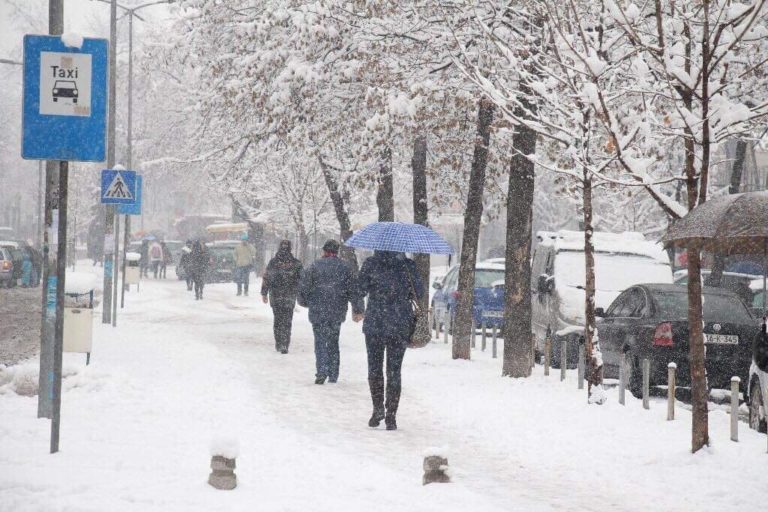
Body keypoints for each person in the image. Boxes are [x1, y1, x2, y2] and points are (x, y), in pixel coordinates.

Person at [356, 250, 423, 431]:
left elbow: (360, 289)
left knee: (374, 368)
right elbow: (420, 292)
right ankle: (391, 415)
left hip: (375, 324)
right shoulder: (407, 266)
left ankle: (377, 408)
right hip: (400, 324)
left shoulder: (371, 263)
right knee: (394, 371)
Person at [298, 239, 364, 385]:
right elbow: (354, 290)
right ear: (336, 251)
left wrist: (305, 302)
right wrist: (358, 309)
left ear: (324, 251)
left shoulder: (314, 266)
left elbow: (304, 287)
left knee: (320, 341)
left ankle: (321, 371)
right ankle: (333, 374)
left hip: (317, 310)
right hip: (337, 310)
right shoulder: (345, 268)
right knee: (333, 341)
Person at [261, 240, 302, 353]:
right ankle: (285, 344)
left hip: (276, 295)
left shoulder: (273, 262)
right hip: (289, 296)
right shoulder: (296, 263)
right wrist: (301, 293)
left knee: (278, 320)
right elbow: (301, 280)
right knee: (287, 320)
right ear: (291, 249)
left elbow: (266, 277)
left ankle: (279, 343)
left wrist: (264, 293)